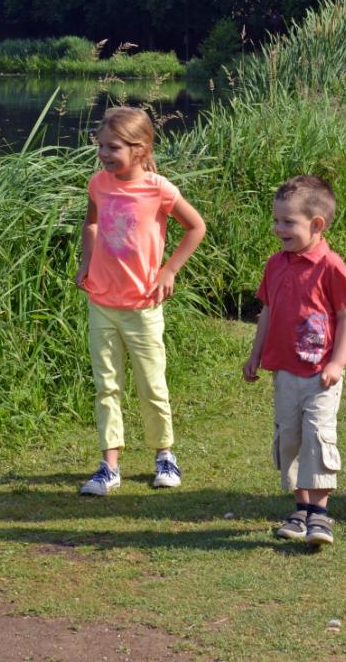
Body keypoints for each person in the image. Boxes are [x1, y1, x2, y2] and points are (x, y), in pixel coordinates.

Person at [75, 106, 206, 495]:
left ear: (140, 148)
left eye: (112, 147)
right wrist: (86, 261)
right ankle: (109, 466)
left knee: (151, 385)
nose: (103, 154)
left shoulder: (159, 188)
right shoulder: (98, 183)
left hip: (143, 305)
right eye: (100, 146)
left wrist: (169, 271)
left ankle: (165, 456)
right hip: (101, 300)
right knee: (106, 385)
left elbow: (195, 226)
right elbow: (92, 222)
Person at [243, 175, 346, 546]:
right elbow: (267, 311)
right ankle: (300, 508)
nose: (279, 228)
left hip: (320, 373)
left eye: (288, 222)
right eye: (277, 220)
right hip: (285, 370)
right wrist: (256, 353)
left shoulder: (329, 265)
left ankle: (320, 514)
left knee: (317, 436)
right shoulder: (275, 264)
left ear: (316, 225)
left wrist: (337, 364)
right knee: (290, 437)